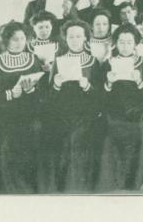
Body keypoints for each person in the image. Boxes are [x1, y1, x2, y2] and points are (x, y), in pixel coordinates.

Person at [38, 20, 102, 193]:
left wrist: (87, 85)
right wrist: (57, 84)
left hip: (87, 111)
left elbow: (100, 96)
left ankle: (81, 182)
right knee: (64, 133)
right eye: (71, 36)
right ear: (65, 39)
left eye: (79, 36)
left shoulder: (92, 61)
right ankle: (65, 183)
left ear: (85, 39)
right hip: (62, 111)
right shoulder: (58, 61)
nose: (75, 40)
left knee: (78, 134)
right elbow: (50, 96)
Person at [96, 23, 143, 191]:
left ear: (135, 44)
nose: (125, 46)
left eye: (129, 42)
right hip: (114, 109)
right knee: (109, 131)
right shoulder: (108, 63)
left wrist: (140, 81)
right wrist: (109, 83)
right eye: (121, 42)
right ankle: (114, 179)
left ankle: (133, 180)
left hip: (139, 109)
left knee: (139, 130)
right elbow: (101, 95)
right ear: (116, 43)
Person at [0, 21, 43, 194]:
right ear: (6, 41)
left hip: (30, 111)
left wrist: (31, 89)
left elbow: (42, 90)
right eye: (15, 39)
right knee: (8, 143)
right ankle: (13, 189)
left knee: (35, 134)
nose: (20, 42)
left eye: (22, 38)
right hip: (5, 113)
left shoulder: (33, 59)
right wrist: (10, 94)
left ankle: (32, 186)